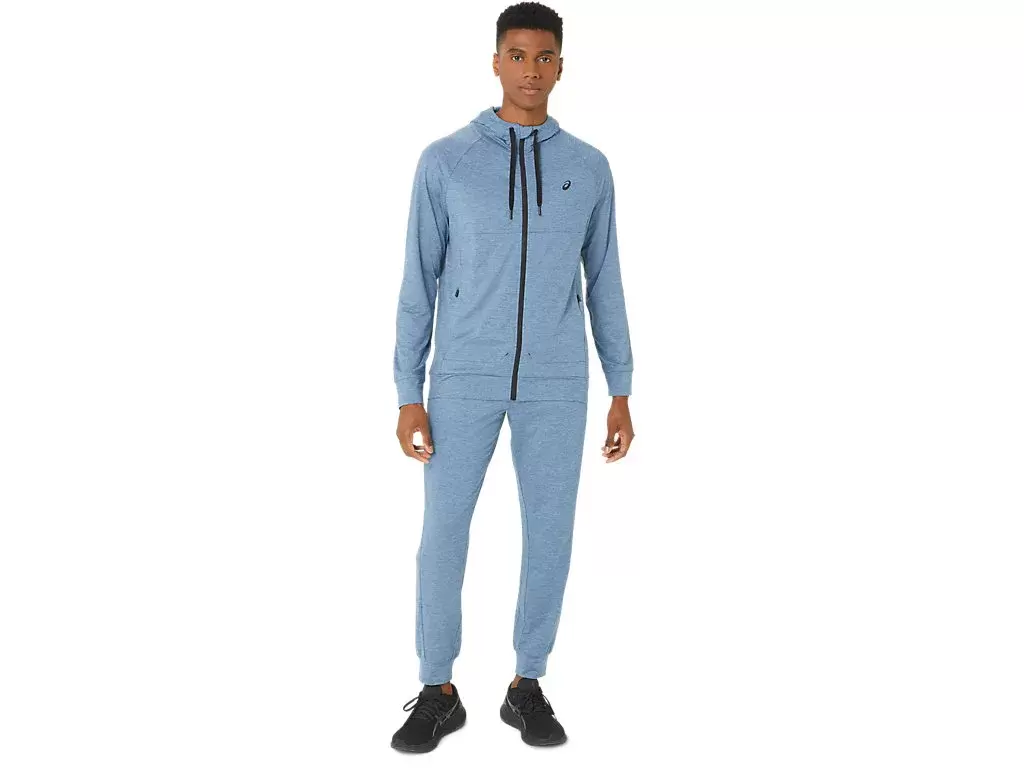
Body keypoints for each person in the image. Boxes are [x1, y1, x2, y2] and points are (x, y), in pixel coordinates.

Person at [390, 2, 634, 752]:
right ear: (495, 62)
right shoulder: (446, 161)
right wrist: (407, 392)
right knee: (442, 537)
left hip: (558, 384)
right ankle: (438, 689)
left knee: (550, 535)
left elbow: (605, 281)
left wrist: (621, 387)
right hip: (462, 379)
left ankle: (527, 685)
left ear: (561, 66)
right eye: (518, 55)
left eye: (545, 56)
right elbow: (418, 280)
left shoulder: (589, 167)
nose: (532, 70)